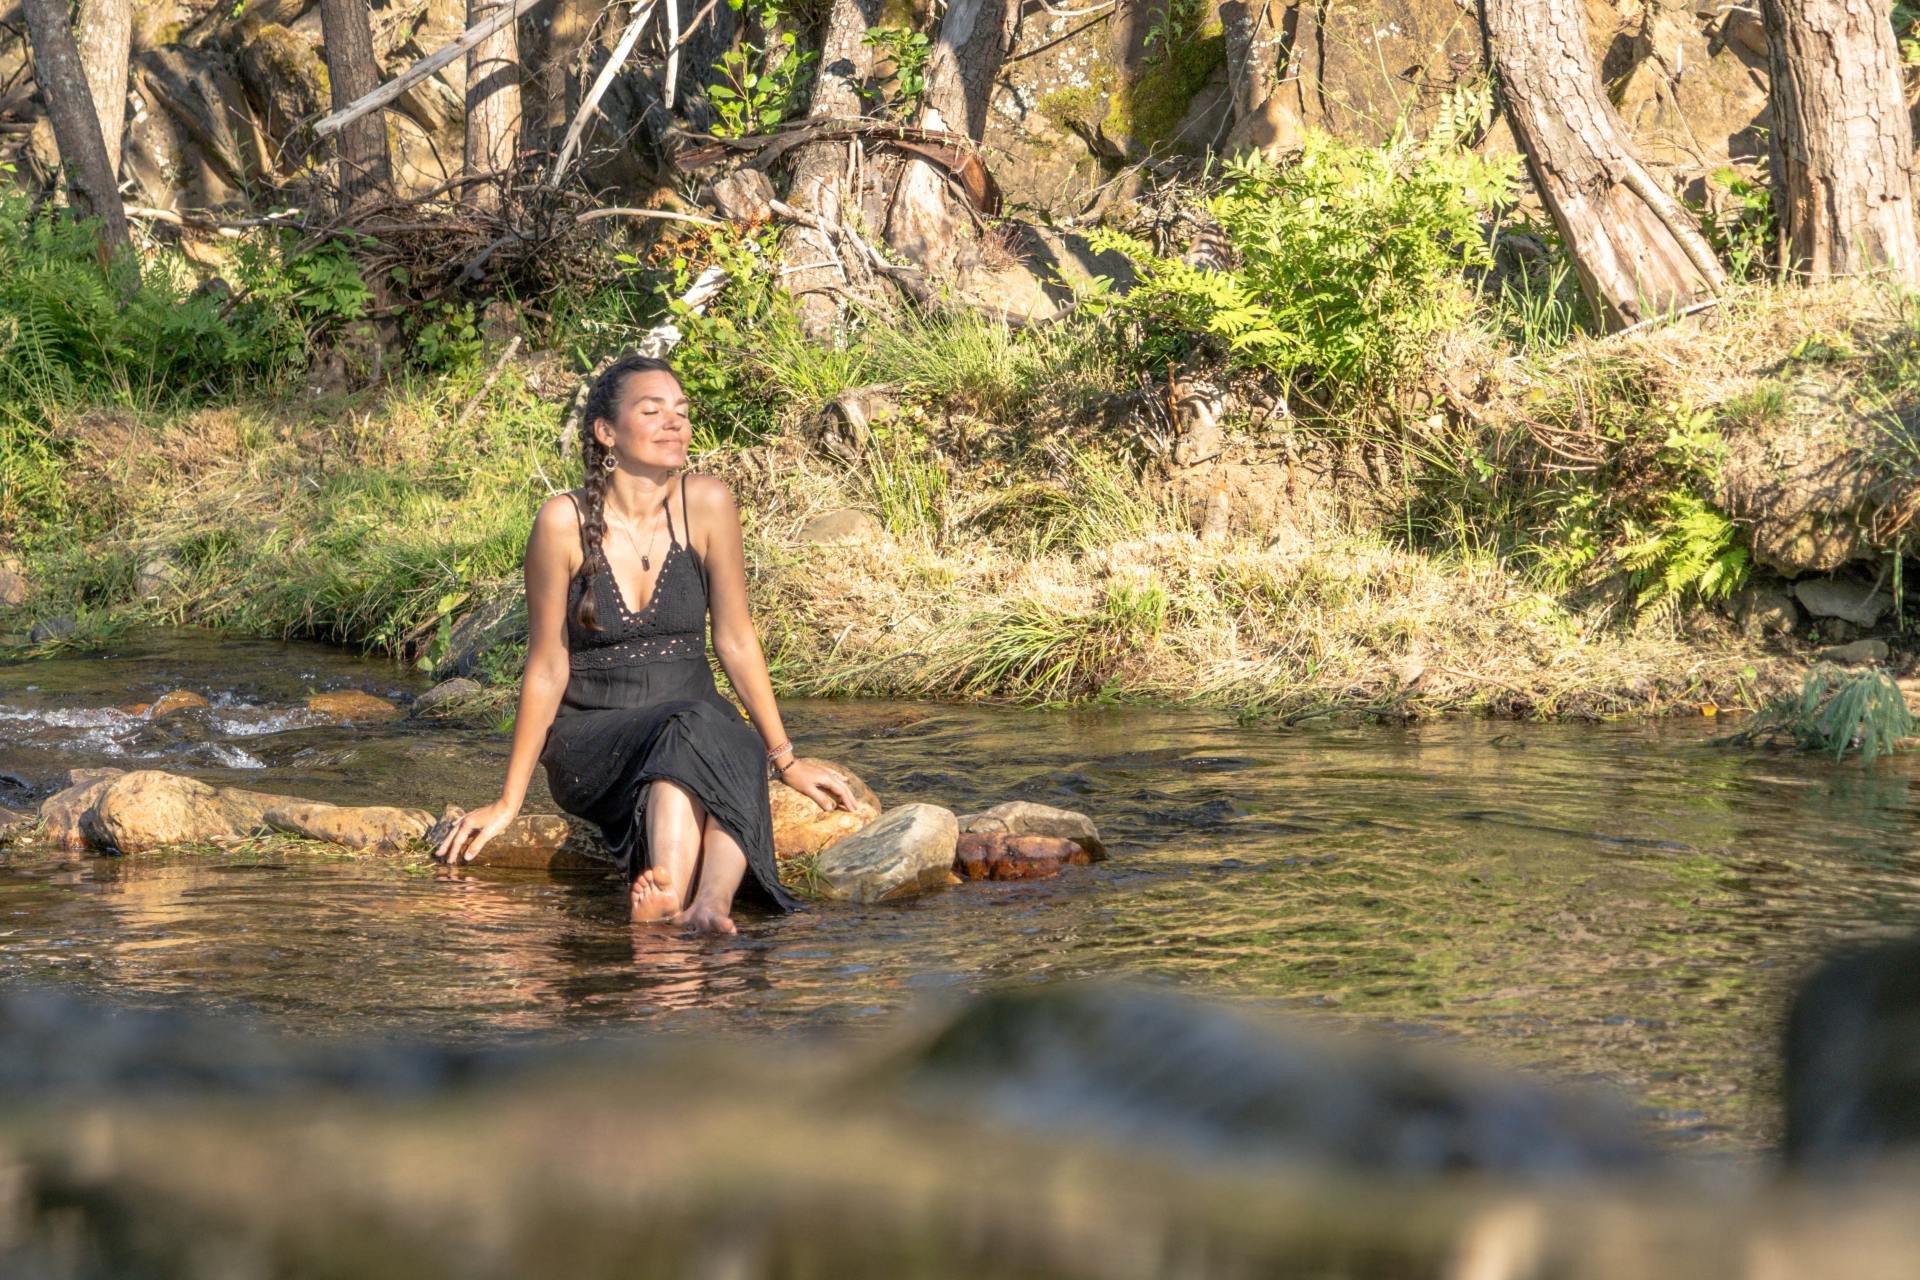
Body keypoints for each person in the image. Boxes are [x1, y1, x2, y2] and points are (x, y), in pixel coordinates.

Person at [431, 353, 857, 932]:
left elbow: (734, 638)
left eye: (681, 412)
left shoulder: (707, 504)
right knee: (694, 726)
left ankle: (705, 907)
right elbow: (547, 668)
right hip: (594, 737)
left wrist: (787, 760)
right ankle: (678, 898)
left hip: (691, 720)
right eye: (653, 411)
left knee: (718, 734)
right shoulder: (562, 521)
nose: (674, 423)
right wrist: (509, 800)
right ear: (606, 432)